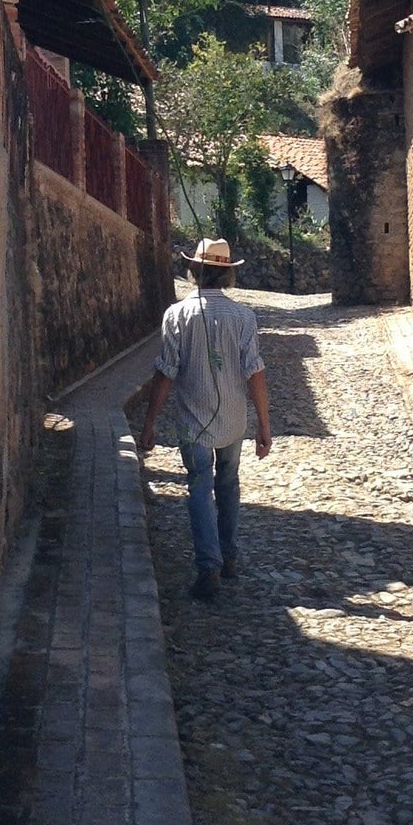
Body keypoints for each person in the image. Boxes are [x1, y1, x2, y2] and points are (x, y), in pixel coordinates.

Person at [140, 237, 272, 600]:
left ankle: (208, 566)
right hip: (233, 418)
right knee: (228, 482)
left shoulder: (176, 315)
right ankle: (229, 557)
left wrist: (150, 421)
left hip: (192, 421)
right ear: (227, 276)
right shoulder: (244, 317)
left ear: (194, 271)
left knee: (199, 485)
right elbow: (255, 372)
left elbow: (165, 372)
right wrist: (264, 424)